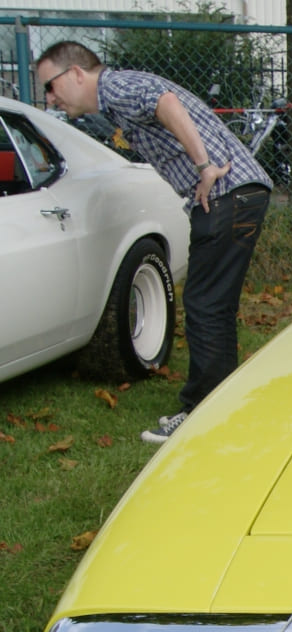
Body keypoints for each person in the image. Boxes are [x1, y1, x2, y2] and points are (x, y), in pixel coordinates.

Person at [34, 41, 273, 445]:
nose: (51, 99)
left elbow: (166, 102)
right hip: (240, 194)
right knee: (213, 306)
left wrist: (204, 166)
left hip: (226, 194)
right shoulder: (117, 97)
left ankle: (202, 416)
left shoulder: (117, 88)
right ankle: (224, 409)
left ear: (76, 74)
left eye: (51, 87)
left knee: (204, 306)